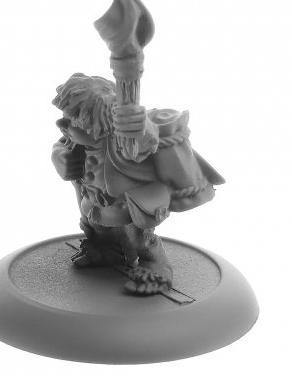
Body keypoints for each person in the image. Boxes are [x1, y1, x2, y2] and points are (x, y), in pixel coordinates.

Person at [52, 73, 225, 294]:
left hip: (126, 201)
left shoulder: (123, 144)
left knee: (138, 238)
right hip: (94, 197)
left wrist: (133, 118)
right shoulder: (76, 142)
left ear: (103, 124)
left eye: (73, 120)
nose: (61, 124)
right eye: (64, 117)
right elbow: (60, 147)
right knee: (97, 226)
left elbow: (146, 139)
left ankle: (156, 266)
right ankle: (107, 249)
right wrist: (60, 157)